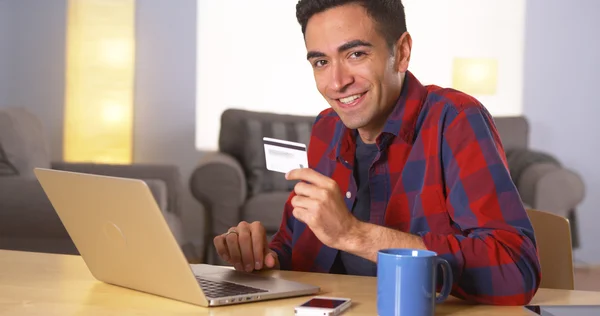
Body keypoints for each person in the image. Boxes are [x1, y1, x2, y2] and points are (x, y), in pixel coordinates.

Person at [213, 0, 541, 305]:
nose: (337, 82)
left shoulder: (454, 119)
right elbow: (297, 245)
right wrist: (260, 254)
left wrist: (356, 235)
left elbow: (516, 270)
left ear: (402, 51)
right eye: (321, 62)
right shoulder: (326, 127)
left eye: (356, 54)